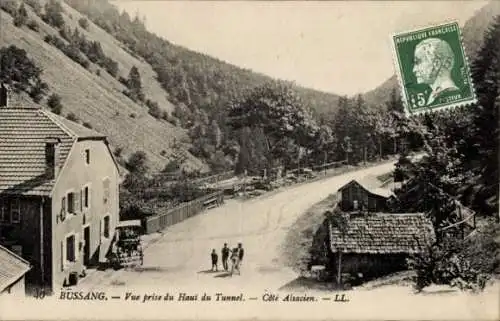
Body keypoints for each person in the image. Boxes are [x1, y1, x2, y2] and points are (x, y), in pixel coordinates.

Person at [412, 38, 459, 106]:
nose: (414, 70)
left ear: (436, 64)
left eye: (418, 62)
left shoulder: (450, 93)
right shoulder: (434, 95)